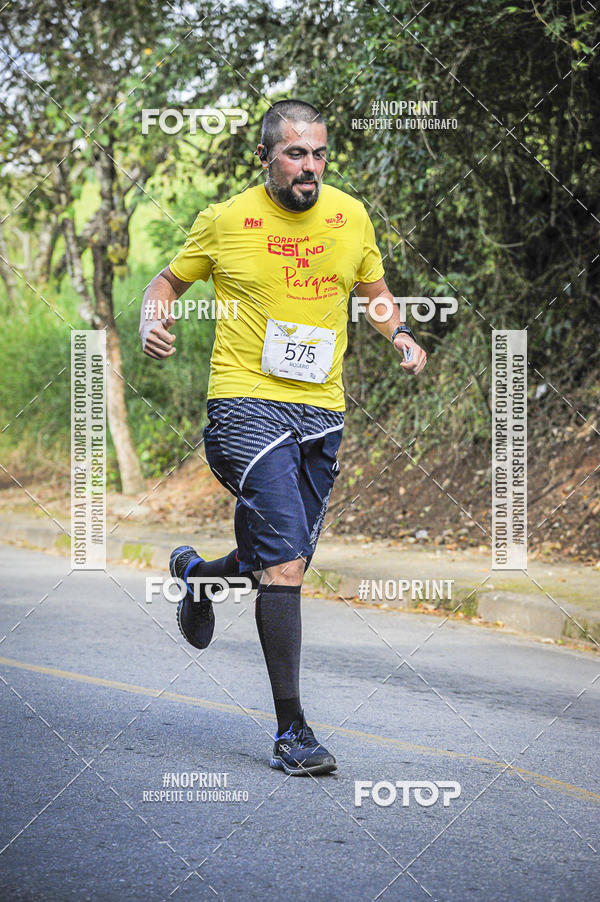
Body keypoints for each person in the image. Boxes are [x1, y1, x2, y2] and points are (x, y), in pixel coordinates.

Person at [139, 99, 427, 776]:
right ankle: (292, 731)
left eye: (319, 153)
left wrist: (401, 334)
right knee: (287, 566)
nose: (310, 166)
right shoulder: (226, 220)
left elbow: (374, 291)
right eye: (295, 153)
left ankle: (199, 579)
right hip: (245, 408)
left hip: (322, 414)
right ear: (265, 157)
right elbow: (167, 281)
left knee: (280, 558)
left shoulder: (350, 215)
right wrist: (156, 319)